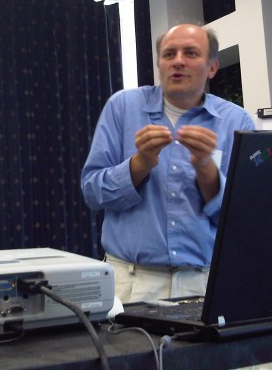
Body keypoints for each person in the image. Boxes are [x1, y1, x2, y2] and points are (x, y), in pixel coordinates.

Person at [80, 23, 255, 303]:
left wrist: (206, 170)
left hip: (204, 282)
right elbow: (92, 193)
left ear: (212, 67)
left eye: (191, 53)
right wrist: (140, 163)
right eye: (169, 54)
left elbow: (243, 217)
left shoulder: (236, 121)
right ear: (159, 65)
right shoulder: (122, 107)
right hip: (131, 281)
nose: (178, 61)